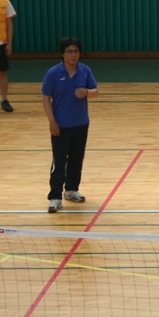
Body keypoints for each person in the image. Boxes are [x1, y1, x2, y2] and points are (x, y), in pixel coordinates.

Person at [42, 37, 98, 213]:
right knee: (59, 161)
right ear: (63, 54)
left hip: (81, 123)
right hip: (61, 125)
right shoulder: (53, 73)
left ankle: (71, 189)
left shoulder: (85, 71)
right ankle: (55, 196)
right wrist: (52, 121)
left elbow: (95, 91)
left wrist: (86, 92)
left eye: (76, 51)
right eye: (69, 52)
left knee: (76, 158)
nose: (73, 55)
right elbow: (46, 98)